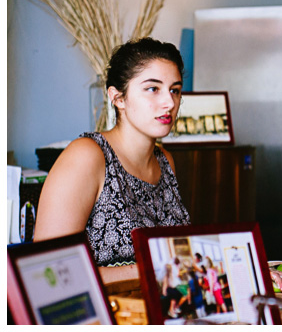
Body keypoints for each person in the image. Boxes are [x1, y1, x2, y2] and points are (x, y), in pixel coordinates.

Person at [34, 38, 190, 284]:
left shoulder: (165, 161)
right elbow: (46, 270)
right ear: (118, 98)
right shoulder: (88, 156)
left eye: (175, 90)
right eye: (153, 88)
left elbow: (181, 259)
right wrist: (155, 271)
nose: (169, 103)